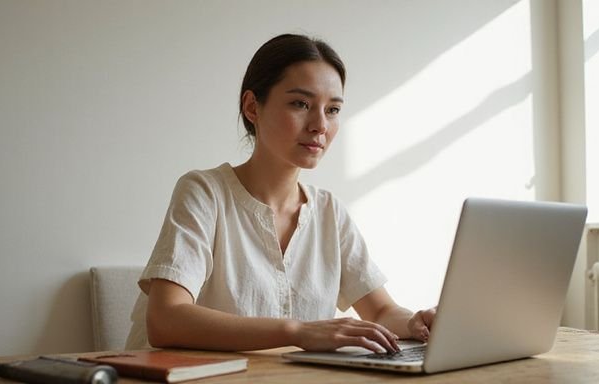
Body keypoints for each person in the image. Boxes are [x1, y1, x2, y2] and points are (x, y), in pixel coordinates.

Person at [125, 33, 436, 353]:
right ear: (251, 107)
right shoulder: (204, 193)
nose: (320, 125)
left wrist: (415, 322)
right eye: (300, 104)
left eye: (332, 109)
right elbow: (166, 319)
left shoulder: (329, 211)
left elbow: (382, 311)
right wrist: (297, 331)